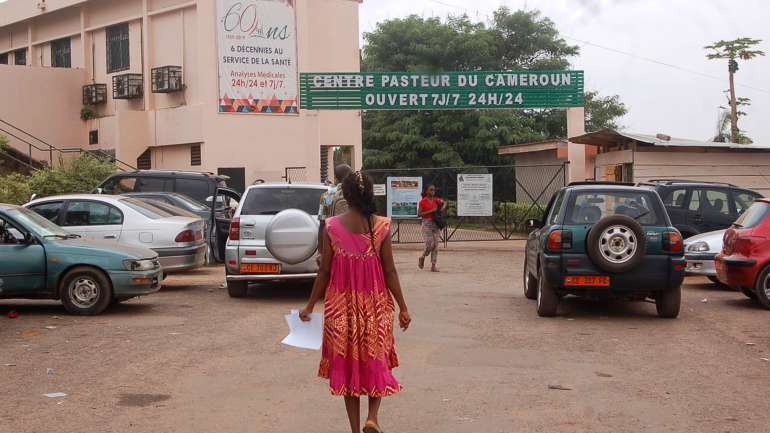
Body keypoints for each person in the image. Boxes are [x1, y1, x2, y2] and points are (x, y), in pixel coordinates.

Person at [300, 171, 411, 433]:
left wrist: (310, 305)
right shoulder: (381, 226)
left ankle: (354, 429)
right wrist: (403, 307)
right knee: (376, 358)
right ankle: (372, 418)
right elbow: (390, 271)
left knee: (349, 365)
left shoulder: (332, 227)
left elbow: (324, 272)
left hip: (341, 307)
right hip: (375, 305)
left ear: (345, 196)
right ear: (369, 194)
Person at [318, 164, 352, 261]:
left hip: (332, 244)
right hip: (353, 245)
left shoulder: (327, 195)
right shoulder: (355, 193)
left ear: (336, 177)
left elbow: (321, 224)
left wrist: (320, 252)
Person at [418, 184, 446, 272]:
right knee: (430, 245)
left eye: (434, 189)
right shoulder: (423, 201)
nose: (433, 191)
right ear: (426, 191)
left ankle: (433, 265)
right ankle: (422, 256)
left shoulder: (436, 200)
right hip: (427, 224)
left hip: (436, 224)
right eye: (431, 189)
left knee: (436, 246)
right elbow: (419, 214)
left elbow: (444, 202)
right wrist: (431, 211)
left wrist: (442, 209)